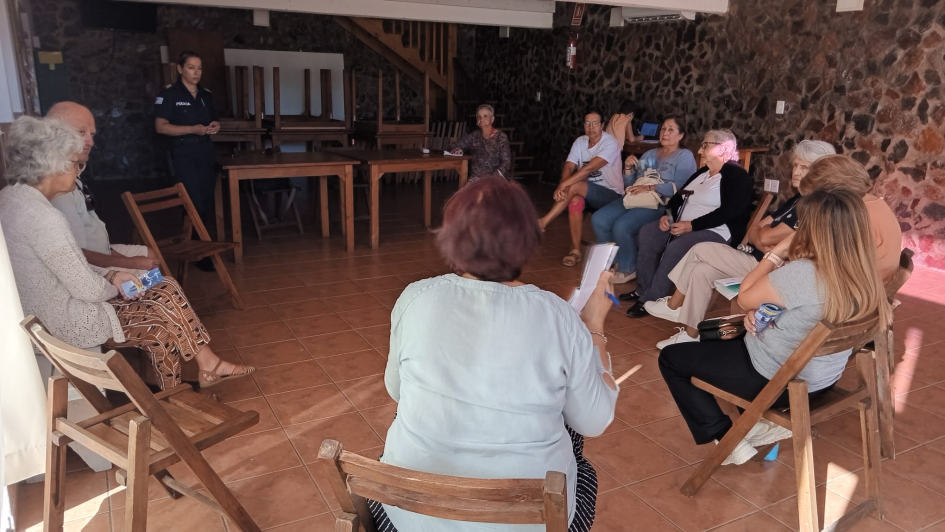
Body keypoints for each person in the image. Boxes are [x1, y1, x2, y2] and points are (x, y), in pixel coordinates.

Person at [371, 177, 619, 532]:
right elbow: (594, 420)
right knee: (575, 440)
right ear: (526, 241)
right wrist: (594, 325)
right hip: (527, 521)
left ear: (451, 237)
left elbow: (395, 391)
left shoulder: (416, 298)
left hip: (409, 514)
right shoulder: (558, 316)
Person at [0, 116, 253, 390]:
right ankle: (193, 379)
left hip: (53, 307)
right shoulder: (45, 218)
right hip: (69, 319)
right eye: (76, 164)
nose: (79, 171)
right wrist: (118, 284)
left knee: (159, 284)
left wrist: (113, 274)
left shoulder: (12, 199)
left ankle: (192, 380)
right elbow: (87, 289)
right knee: (160, 313)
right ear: (52, 165)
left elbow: (65, 265)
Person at [657, 189, 891, 465]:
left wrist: (776, 254)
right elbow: (809, 310)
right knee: (715, 341)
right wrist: (761, 314)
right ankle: (759, 432)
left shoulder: (805, 272)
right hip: (822, 380)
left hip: (779, 381)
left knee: (672, 359)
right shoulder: (866, 274)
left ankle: (727, 438)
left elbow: (744, 297)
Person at [645, 140, 837, 347]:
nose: (797, 172)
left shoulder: (812, 205)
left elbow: (763, 236)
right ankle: (691, 335)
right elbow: (755, 229)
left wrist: (764, 239)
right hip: (757, 258)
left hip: (769, 268)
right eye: (796, 165)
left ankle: (674, 306)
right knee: (702, 270)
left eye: (805, 167)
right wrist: (764, 239)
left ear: (820, 170)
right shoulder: (796, 199)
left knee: (700, 249)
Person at [622, 129, 753, 318]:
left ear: (723, 149)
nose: (700, 150)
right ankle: (643, 289)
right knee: (648, 233)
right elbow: (676, 200)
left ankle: (651, 298)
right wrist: (668, 216)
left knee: (678, 246)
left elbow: (731, 210)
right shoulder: (702, 173)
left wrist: (692, 225)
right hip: (685, 226)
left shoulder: (736, 175)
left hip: (717, 231)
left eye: (705, 145)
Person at [46, 102, 161, 273]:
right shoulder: (60, 188)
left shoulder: (73, 177)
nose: (90, 142)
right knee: (149, 270)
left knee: (150, 256)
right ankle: (147, 297)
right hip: (93, 268)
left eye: (92, 134)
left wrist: (122, 257)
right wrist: (131, 263)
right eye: (81, 132)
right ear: (55, 133)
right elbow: (78, 256)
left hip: (102, 251)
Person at [591, 115, 697, 284]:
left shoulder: (684, 156)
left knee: (622, 225)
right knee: (599, 219)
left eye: (671, 129)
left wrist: (652, 187)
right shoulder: (649, 154)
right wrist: (627, 169)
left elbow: (681, 186)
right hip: (635, 198)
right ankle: (614, 262)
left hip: (660, 203)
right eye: (663, 128)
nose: (665, 133)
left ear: (681, 135)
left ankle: (629, 268)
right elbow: (633, 183)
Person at [154, 50, 220, 272]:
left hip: (204, 151)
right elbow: (160, 126)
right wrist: (191, 129)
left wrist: (214, 127)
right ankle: (198, 251)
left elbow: (214, 120)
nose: (196, 72)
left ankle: (199, 248)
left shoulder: (206, 95)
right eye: (191, 67)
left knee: (206, 201)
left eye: (199, 68)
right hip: (182, 152)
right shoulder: (170, 94)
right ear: (180, 69)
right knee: (192, 201)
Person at [797, 155, 902, 283]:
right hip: (867, 285)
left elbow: (835, 266)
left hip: (859, 292)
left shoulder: (856, 216)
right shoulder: (872, 203)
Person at [538, 110, 624, 267]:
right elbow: (569, 166)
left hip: (611, 195)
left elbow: (588, 169)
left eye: (595, 123)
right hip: (586, 193)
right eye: (588, 123)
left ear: (602, 125)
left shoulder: (610, 143)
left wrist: (563, 185)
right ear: (584, 125)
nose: (591, 127)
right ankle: (575, 251)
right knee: (575, 201)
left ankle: (543, 222)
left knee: (575, 186)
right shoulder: (580, 141)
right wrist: (565, 187)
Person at [448, 104, 511, 180]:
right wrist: (457, 149)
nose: (481, 119)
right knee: (464, 191)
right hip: (476, 178)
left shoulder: (501, 137)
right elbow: (453, 145)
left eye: (485, 116)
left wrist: (492, 177)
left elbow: (506, 163)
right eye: (479, 117)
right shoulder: (474, 135)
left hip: (495, 179)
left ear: (492, 119)